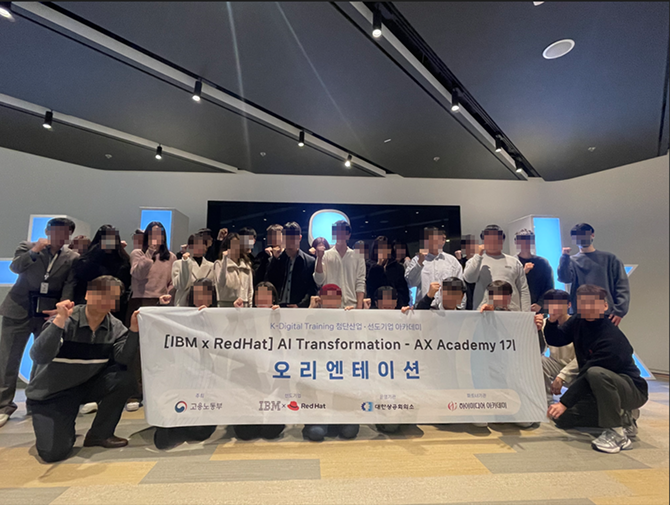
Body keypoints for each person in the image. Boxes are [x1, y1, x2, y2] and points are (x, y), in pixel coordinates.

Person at [25, 276, 139, 462]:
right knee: (54, 453)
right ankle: (60, 428)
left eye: (112, 297)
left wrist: (133, 330)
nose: (106, 300)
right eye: (101, 294)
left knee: (124, 380)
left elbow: (123, 358)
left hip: (85, 387)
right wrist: (59, 320)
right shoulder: (66, 319)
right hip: (52, 394)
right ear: (88, 294)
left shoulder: (115, 327)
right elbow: (39, 356)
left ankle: (100, 435)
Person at [540, 284, 647, 453]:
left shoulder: (611, 338)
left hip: (630, 390)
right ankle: (622, 416)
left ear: (604, 306)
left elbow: (589, 373)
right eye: (583, 303)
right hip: (597, 386)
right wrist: (551, 321)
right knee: (564, 418)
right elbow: (557, 339)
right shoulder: (578, 320)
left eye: (592, 303)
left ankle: (617, 433)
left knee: (595, 373)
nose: (587, 307)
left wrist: (564, 402)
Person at [0, 217, 78, 428]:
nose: (60, 236)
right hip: (18, 309)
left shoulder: (72, 257)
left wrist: (62, 307)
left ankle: (35, 401)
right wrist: (35, 250)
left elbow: (69, 284)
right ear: (47, 231)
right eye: (56, 231)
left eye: (65, 232)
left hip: (47, 312)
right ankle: (3, 405)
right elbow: (16, 267)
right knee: (8, 358)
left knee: (43, 359)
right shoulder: (27, 247)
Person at [154, 278, 218, 450]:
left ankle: (188, 421)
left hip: (207, 381)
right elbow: (160, 327)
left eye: (205, 294)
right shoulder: (181, 315)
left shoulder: (220, 316)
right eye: (197, 294)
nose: (201, 298)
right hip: (181, 377)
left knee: (200, 433)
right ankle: (172, 421)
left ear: (212, 297)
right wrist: (161, 307)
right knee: (163, 440)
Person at [127, 221, 176, 411]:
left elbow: (172, 281)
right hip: (140, 302)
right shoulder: (138, 254)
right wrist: (149, 253)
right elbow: (137, 274)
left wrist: (167, 293)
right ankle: (135, 392)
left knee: (159, 347)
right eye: (153, 234)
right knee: (137, 348)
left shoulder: (170, 256)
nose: (157, 237)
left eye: (160, 234)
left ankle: (156, 390)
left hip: (161, 303)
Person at [303, 284, 359, 441]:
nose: (331, 301)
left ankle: (338, 420)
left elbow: (359, 343)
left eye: (335, 297)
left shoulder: (347, 317)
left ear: (340, 300)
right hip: (319, 376)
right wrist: (310, 309)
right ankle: (315, 423)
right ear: (321, 299)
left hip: (342, 376)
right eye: (327, 297)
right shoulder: (312, 318)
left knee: (350, 431)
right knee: (317, 433)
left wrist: (357, 317)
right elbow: (299, 338)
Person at [232, 281, 286, 441]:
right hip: (251, 376)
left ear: (273, 298)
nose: (262, 299)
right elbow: (235, 340)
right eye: (258, 295)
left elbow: (295, 340)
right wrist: (238, 313)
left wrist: (278, 319)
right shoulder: (247, 316)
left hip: (274, 376)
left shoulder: (281, 315)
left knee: (271, 432)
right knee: (245, 434)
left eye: (266, 295)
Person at [558, 223, 629, 326]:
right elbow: (565, 278)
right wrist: (564, 258)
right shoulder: (572, 261)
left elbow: (622, 285)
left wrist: (619, 311)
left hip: (605, 313)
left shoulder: (610, 259)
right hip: (580, 313)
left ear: (592, 235)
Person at [463, 225, 531, 312]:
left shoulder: (514, 262)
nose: (493, 241)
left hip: (512, 311)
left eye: (496, 238)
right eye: (489, 238)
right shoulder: (475, 260)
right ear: (483, 240)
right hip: (484, 310)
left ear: (502, 240)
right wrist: (478, 255)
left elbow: (523, 289)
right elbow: (469, 279)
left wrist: (526, 314)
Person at [72, 225, 131, 320]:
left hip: (113, 304)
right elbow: (82, 275)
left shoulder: (122, 259)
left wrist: (117, 302)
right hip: (87, 301)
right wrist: (98, 251)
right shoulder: (88, 257)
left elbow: (125, 283)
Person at [405, 227, 463, 309]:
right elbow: (411, 282)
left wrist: (460, 307)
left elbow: (460, 286)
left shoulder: (452, 261)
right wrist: (419, 263)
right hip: (424, 308)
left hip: (447, 309)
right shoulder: (416, 260)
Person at [313, 221, 366, 309]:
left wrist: (359, 307)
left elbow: (360, 282)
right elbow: (319, 280)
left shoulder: (358, 256)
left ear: (348, 235)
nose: (340, 235)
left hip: (351, 305)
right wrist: (319, 259)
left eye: (343, 233)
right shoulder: (324, 255)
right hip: (329, 305)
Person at [539, 289, 578, 406]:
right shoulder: (544, 323)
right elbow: (538, 349)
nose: (554, 308)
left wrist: (562, 376)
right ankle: (546, 403)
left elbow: (582, 357)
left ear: (568, 305)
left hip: (578, 370)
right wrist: (536, 330)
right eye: (551, 304)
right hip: (556, 365)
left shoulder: (577, 324)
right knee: (538, 361)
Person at [265, 222, 318, 308]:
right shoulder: (276, 259)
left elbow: (312, 289)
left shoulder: (309, 261)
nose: (290, 240)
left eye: (293, 237)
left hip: (298, 308)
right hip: (276, 307)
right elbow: (268, 283)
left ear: (300, 238)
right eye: (287, 237)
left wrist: (300, 305)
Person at [514, 229, 554, 313]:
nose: (525, 244)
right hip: (517, 309)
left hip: (539, 310)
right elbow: (510, 286)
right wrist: (523, 273)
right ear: (516, 242)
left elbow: (549, 287)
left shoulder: (542, 262)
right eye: (522, 241)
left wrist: (540, 304)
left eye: (528, 241)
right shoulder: (513, 262)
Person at [171, 232, 215, 307]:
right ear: (189, 247)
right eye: (195, 244)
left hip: (205, 304)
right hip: (184, 303)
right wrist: (185, 263)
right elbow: (181, 285)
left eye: (202, 244)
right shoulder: (178, 264)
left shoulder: (212, 266)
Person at [366, 236, 410, 309]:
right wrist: (378, 267)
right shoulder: (369, 266)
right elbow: (370, 289)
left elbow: (403, 291)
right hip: (376, 307)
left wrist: (400, 305)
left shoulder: (398, 267)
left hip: (395, 307)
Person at [214, 233, 254, 307]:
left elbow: (250, 289)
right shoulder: (219, 264)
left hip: (244, 304)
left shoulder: (246, 265)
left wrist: (250, 304)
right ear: (228, 247)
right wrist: (224, 260)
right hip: (226, 304)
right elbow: (221, 283)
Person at [455, 235, 477, 310]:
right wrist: (459, 260)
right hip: (465, 290)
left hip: (475, 288)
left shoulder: (478, 261)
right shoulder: (461, 261)